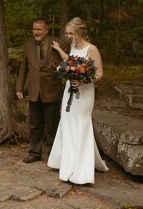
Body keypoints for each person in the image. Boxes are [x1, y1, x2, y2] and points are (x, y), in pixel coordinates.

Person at [47, 17, 109, 184]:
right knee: (67, 121)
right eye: (67, 33)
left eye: (71, 33)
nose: (68, 36)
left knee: (81, 123)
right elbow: (71, 61)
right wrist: (60, 51)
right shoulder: (74, 46)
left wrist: (82, 82)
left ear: (79, 32)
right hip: (70, 90)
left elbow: (99, 74)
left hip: (85, 92)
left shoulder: (92, 49)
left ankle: (81, 169)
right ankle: (66, 162)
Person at [16, 19, 68, 164]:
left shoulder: (59, 44)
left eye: (39, 29)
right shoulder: (28, 45)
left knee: (52, 124)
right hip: (34, 91)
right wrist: (19, 88)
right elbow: (23, 68)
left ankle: (53, 152)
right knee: (34, 124)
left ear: (46, 30)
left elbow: (67, 65)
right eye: (34, 29)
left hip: (52, 90)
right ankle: (34, 152)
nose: (35, 32)